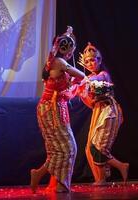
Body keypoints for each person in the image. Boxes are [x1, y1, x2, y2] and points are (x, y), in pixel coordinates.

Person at [30, 26, 85, 193]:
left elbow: (68, 87)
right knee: (68, 147)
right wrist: (77, 85)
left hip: (55, 107)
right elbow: (82, 76)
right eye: (70, 49)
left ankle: (51, 181)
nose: (71, 53)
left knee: (60, 149)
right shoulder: (59, 62)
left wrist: (68, 34)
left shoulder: (54, 61)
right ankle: (53, 181)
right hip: (51, 109)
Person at [77, 42, 129, 186]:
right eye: (86, 61)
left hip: (109, 111)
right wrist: (82, 93)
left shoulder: (102, 75)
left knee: (98, 147)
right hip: (98, 111)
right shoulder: (89, 79)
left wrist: (82, 80)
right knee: (89, 148)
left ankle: (120, 166)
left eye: (92, 60)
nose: (89, 63)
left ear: (99, 60)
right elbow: (91, 103)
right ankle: (100, 179)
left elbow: (95, 79)